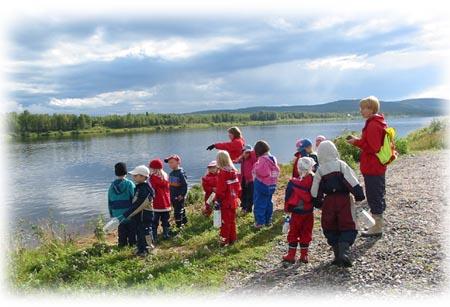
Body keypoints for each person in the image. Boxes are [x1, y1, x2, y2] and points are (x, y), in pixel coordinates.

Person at [311, 141, 365, 267]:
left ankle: (337, 254)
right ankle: (343, 253)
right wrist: (359, 195)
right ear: (335, 151)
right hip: (344, 199)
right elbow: (352, 181)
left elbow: (315, 189)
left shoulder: (320, 170)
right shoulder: (341, 165)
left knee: (330, 226)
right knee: (348, 224)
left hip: (329, 201)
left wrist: (318, 202)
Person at [347, 96, 388, 237]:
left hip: (373, 167)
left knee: (374, 195)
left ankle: (377, 227)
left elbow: (374, 148)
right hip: (375, 167)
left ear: (372, 109)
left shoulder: (373, 125)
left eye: (364, 108)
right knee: (377, 193)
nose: (361, 111)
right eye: (361, 107)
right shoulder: (376, 122)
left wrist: (356, 143)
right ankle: (378, 224)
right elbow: (373, 145)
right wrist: (358, 141)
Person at [282, 157, 316, 264]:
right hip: (308, 212)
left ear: (298, 168)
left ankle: (291, 255)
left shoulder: (292, 183)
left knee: (293, 232)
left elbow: (288, 198)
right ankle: (304, 255)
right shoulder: (314, 180)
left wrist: (287, 211)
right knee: (306, 232)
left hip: (296, 212)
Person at [118, 165, 155, 257]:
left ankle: (148, 249)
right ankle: (140, 248)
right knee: (139, 232)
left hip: (145, 216)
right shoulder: (139, 187)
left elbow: (139, 205)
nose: (133, 177)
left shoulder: (145, 189)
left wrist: (127, 214)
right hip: (138, 216)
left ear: (143, 177)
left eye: (135, 175)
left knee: (145, 232)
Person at [214, 150, 241, 246]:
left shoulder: (222, 173)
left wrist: (217, 200)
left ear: (219, 161)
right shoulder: (234, 171)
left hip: (225, 202)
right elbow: (238, 188)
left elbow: (221, 189)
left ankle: (224, 241)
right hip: (233, 200)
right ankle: (232, 239)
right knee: (232, 221)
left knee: (224, 222)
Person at [107, 162, 136, 247]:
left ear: (116, 173)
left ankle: (122, 244)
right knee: (132, 229)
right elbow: (134, 197)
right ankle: (132, 244)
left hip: (117, 213)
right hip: (129, 212)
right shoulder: (129, 184)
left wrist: (111, 213)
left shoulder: (112, 186)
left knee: (121, 229)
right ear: (126, 172)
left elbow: (109, 200)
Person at [252, 140, 280, 229]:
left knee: (259, 203)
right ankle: (268, 221)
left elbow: (263, 172)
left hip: (262, 184)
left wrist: (255, 167)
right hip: (272, 184)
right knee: (268, 203)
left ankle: (260, 222)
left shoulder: (262, 159)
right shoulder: (272, 158)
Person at [149, 159, 171, 241]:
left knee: (154, 222)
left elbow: (151, 190)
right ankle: (166, 234)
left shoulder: (152, 178)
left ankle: (154, 237)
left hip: (156, 203)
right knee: (165, 220)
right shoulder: (165, 176)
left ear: (153, 169)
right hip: (165, 203)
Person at [165, 154, 188, 229]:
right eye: (169, 163)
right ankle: (184, 222)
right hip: (173, 196)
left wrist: (182, 195)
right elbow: (170, 186)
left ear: (178, 162)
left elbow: (185, 185)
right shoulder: (171, 173)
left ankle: (179, 227)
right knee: (180, 209)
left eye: (172, 162)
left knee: (177, 212)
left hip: (179, 196)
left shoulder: (180, 173)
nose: (170, 164)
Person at [237, 145, 257, 213]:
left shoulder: (253, 159)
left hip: (251, 181)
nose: (247, 154)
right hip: (243, 179)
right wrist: (242, 155)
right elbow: (236, 161)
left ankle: (248, 209)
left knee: (250, 195)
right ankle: (243, 207)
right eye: (245, 152)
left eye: (248, 152)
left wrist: (251, 152)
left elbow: (254, 155)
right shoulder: (242, 159)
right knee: (243, 193)